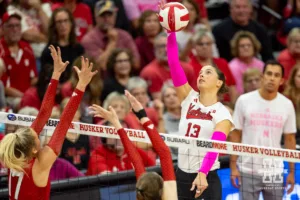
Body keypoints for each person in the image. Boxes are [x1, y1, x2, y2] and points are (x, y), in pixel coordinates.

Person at [0, 46, 97, 200]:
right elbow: (64, 123)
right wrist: (81, 86)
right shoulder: (40, 164)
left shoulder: (15, 157)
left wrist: (56, 74)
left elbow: (44, 114)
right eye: (36, 137)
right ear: (32, 149)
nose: (37, 133)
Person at [163, 2, 234, 199]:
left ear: (219, 83)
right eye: (201, 72)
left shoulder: (223, 112)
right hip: (182, 175)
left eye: (208, 72)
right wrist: (171, 33)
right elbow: (173, 62)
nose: (202, 74)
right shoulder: (188, 98)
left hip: (207, 177)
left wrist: (202, 173)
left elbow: (215, 144)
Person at [89, 89, 178, 200]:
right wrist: (142, 114)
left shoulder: (143, 190)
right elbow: (163, 152)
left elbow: (136, 160)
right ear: (162, 190)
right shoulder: (171, 197)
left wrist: (117, 123)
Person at [230, 60, 297, 200]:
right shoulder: (244, 100)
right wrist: (233, 166)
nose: (272, 78)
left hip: (274, 170)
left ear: (281, 80)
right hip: (248, 169)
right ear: (262, 77)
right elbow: (236, 135)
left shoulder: (287, 104)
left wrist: (291, 171)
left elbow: (290, 139)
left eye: (276, 75)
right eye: (269, 74)